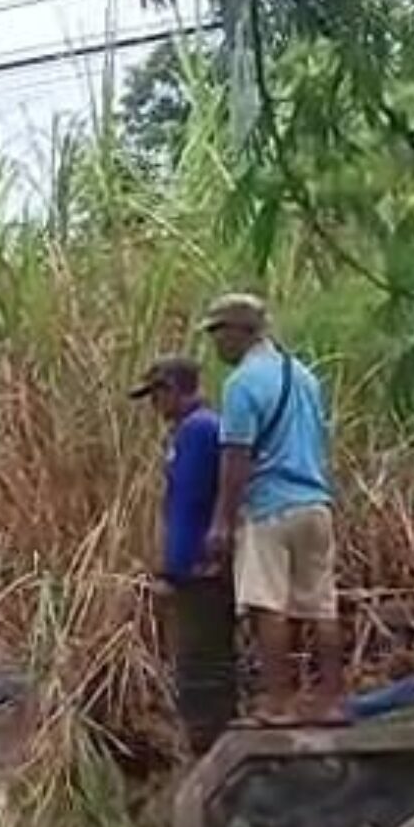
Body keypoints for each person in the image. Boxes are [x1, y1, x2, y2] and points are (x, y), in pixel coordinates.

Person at [201, 293, 344, 726]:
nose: (214, 343)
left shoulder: (243, 383)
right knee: (321, 605)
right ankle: (331, 701)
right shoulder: (302, 376)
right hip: (315, 504)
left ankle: (278, 704)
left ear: (241, 332)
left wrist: (223, 520)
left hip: (270, 507)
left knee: (268, 606)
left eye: (217, 332)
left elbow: (237, 454)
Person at [130, 355, 236, 754]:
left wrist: (197, 558)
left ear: (172, 390)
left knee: (204, 662)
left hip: (202, 568)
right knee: (195, 662)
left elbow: (204, 500)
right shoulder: (188, 432)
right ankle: (204, 740)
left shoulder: (201, 430)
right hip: (188, 566)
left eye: (156, 395)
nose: (154, 406)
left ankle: (211, 745)